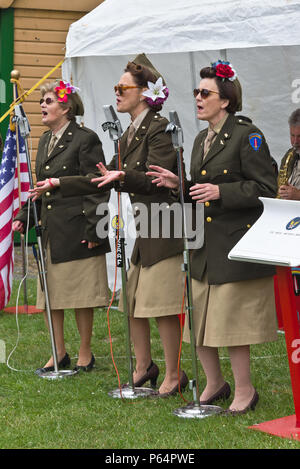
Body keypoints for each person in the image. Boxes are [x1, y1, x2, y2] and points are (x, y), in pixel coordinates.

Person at [29, 55, 188, 396]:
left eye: (122, 87)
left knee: (160, 307)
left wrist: (124, 176)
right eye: (116, 87)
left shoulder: (158, 128)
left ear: (145, 92)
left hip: (163, 227)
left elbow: (159, 178)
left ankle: (175, 376)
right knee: (132, 303)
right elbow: (100, 178)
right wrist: (59, 183)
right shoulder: (131, 131)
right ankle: (144, 367)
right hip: (145, 230)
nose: (116, 93)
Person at [146, 60, 278, 413]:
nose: (198, 98)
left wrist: (223, 193)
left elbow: (266, 188)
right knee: (199, 319)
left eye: (205, 93)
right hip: (204, 245)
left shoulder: (248, 136)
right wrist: (182, 186)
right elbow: (202, 190)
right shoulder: (202, 138)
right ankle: (215, 383)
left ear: (226, 100)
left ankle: (245, 391)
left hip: (233, 245)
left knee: (231, 324)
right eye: (196, 92)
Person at [13, 80, 110, 374]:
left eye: (50, 100)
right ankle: (58, 353)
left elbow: (97, 185)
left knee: (80, 295)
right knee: (51, 295)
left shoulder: (85, 139)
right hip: (51, 229)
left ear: (66, 107)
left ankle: (85, 353)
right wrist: (25, 214)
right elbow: (40, 184)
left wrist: (96, 229)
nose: (43, 105)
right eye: (42, 100)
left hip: (79, 228)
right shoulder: (44, 140)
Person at [277, 108, 300, 200]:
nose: (295, 142)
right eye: (292, 135)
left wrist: (298, 196)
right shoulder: (289, 155)